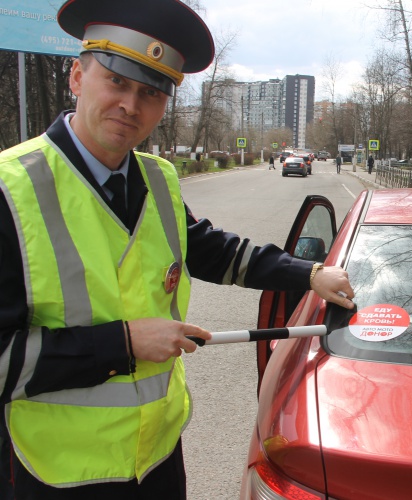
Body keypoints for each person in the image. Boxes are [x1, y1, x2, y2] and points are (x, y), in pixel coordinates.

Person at [0, 0, 354, 498]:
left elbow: (210, 249)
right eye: (116, 81)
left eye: (150, 93)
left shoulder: (156, 179)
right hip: (55, 473)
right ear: (77, 77)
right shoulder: (11, 189)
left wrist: (309, 273)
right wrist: (123, 344)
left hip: (158, 462)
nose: (131, 106)